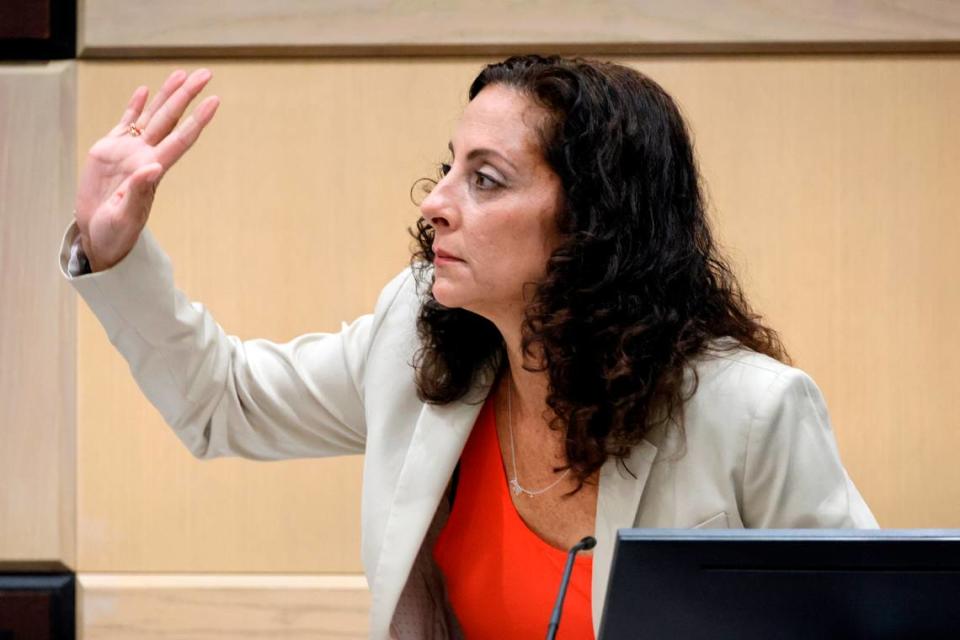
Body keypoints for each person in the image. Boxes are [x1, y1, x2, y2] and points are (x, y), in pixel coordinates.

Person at [59, 55, 877, 639]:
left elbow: (872, 621)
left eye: (485, 180)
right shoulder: (412, 342)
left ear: (593, 222)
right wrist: (115, 251)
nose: (436, 206)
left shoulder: (751, 408)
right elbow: (222, 402)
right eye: (447, 169)